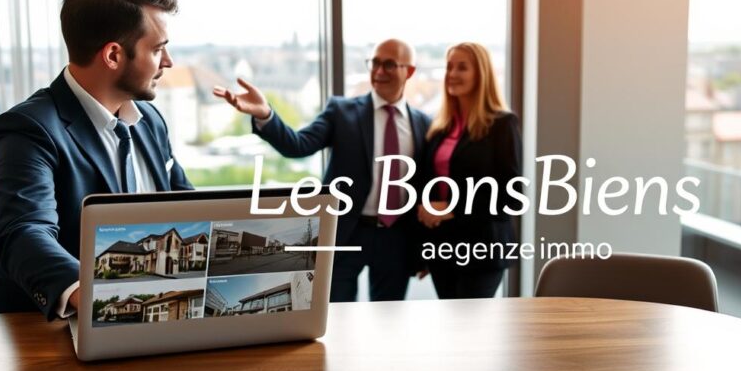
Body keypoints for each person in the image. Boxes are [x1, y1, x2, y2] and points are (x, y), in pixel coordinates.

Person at [0, 0, 193, 320]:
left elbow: (189, 210)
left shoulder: (150, 120)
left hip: (148, 320)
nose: (168, 62)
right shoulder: (29, 129)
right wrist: (93, 297)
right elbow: (24, 232)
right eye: (157, 48)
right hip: (42, 333)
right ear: (113, 55)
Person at [213, 39, 431, 302]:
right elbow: (298, 145)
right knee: (336, 313)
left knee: (388, 319)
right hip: (346, 232)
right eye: (374, 63)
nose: (378, 71)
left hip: (396, 238)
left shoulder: (423, 124)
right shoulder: (341, 112)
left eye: (388, 64)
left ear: (409, 72)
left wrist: (423, 248)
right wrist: (266, 114)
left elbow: (425, 188)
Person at [418, 42, 521, 299]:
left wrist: (450, 207)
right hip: (442, 247)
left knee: (470, 331)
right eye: (449, 67)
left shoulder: (502, 125)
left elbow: (511, 195)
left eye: (462, 67)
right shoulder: (439, 128)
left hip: (483, 248)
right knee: (450, 329)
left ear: (481, 74)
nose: (452, 74)